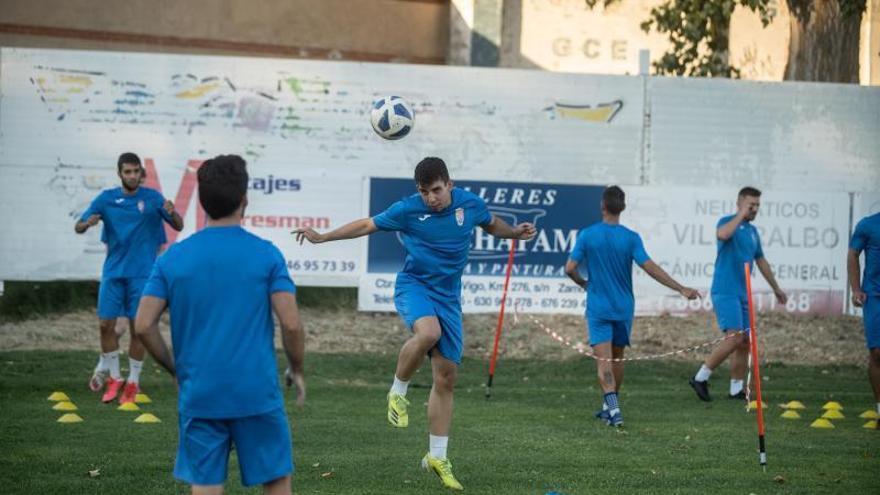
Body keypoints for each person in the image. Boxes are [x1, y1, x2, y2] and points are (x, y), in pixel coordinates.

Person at [294, 157, 535, 490]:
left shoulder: (469, 204)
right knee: (429, 332)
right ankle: (398, 390)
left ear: (449, 185)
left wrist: (515, 233)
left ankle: (437, 456)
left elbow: (492, 224)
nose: (431, 198)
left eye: (436, 190)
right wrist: (323, 238)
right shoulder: (407, 209)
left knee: (447, 377)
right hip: (415, 287)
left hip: (449, 297)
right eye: (424, 192)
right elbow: (366, 225)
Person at [135, 154, 306, 495]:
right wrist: (296, 368)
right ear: (245, 199)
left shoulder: (173, 258)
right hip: (256, 392)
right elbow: (291, 324)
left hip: (200, 392)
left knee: (206, 485)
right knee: (276, 482)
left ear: (201, 200)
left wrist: (175, 371)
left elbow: (142, 325)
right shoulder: (266, 254)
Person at [565, 185, 699, 427]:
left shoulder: (587, 235)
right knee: (617, 360)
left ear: (602, 205)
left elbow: (569, 268)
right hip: (623, 307)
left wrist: (583, 283)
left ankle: (614, 412)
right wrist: (680, 288)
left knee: (604, 362)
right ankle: (609, 407)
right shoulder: (631, 238)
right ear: (622, 208)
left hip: (599, 307)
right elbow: (650, 267)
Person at [75, 152, 183, 404]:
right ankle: (114, 378)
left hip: (143, 276)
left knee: (138, 330)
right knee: (105, 325)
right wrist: (87, 224)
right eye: (128, 172)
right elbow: (78, 226)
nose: (133, 176)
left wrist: (173, 211)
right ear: (120, 173)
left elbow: (178, 224)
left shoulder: (153, 198)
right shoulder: (106, 199)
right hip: (113, 273)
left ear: (141, 173)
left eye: (136, 171)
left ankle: (133, 382)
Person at [689, 187, 787, 402]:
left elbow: (761, 260)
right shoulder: (727, 222)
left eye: (757, 206)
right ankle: (700, 377)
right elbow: (722, 234)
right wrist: (741, 214)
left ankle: (736, 389)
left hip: (743, 293)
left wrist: (776, 288)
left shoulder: (752, 232)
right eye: (751, 204)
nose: (754, 209)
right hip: (725, 290)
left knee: (744, 342)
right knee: (734, 338)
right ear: (740, 203)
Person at [848, 210, 880, 425]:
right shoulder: (868, 225)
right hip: (875, 295)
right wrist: (856, 289)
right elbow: (852, 255)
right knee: (877, 353)